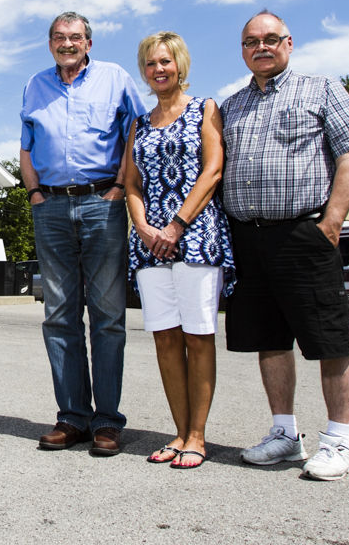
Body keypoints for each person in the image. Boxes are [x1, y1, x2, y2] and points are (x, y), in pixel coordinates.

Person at [221, 10, 349, 481]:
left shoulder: (321, 88)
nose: (261, 47)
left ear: (289, 42)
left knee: (329, 338)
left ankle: (338, 441)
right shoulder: (231, 106)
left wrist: (331, 223)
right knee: (269, 339)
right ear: (243, 50)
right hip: (249, 236)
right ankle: (285, 435)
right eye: (251, 41)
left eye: (270, 39)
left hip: (304, 233)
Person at [20, 11, 145, 456]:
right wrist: (33, 193)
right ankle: (72, 417)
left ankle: (107, 421)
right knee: (59, 316)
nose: (67, 43)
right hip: (50, 206)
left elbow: (137, 129)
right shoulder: (35, 85)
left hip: (101, 204)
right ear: (50, 42)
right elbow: (27, 145)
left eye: (75, 37)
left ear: (88, 43)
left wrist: (119, 187)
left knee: (108, 315)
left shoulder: (114, 77)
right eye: (59, 37)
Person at [123, 31, 234, 470]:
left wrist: (176, 225)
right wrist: (144, 227)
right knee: (166, 338)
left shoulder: (205, 108)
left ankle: (198, 437)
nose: (158, 70)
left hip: (196, 236)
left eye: (165, 62)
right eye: (150, 64)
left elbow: (213, 170)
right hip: (151, 246)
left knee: (198, 335)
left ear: (180, 64)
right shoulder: (139, 123)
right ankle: (178, 431)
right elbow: (131, 183)